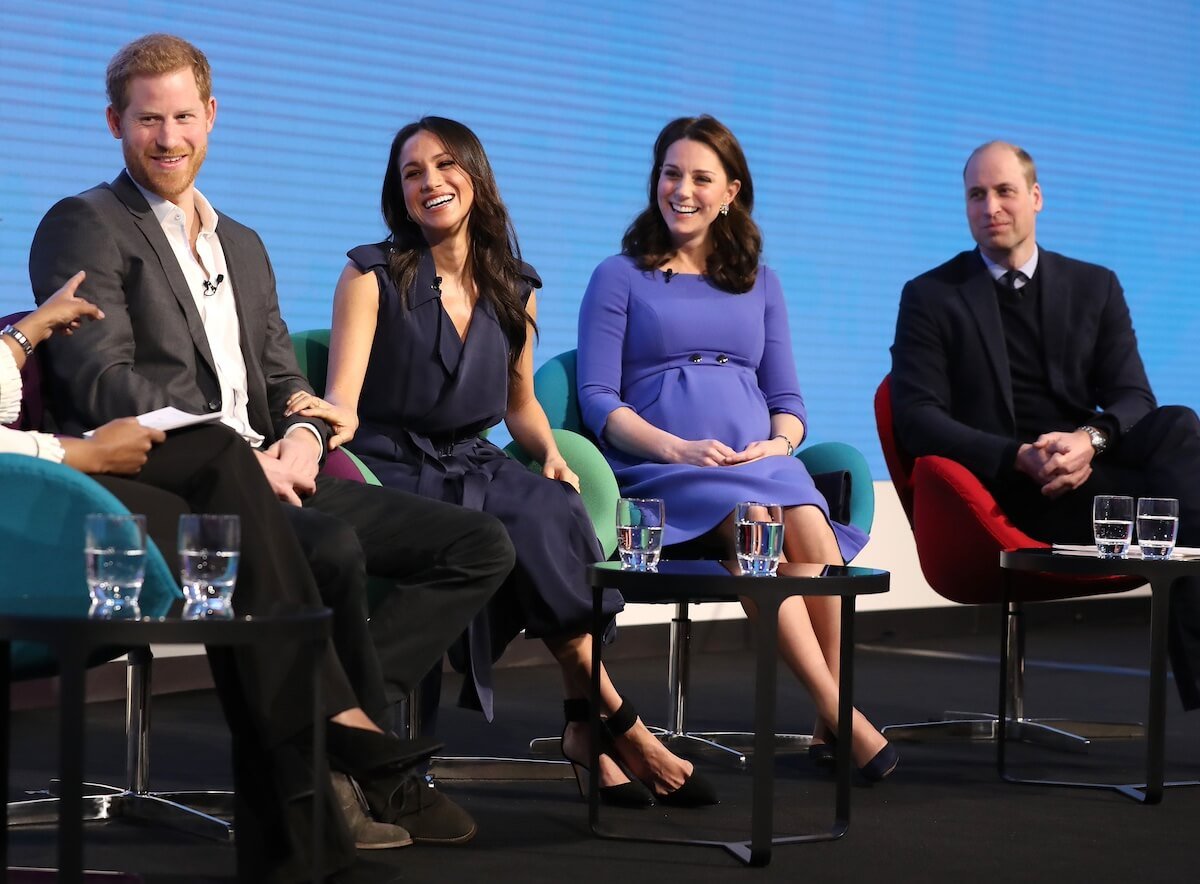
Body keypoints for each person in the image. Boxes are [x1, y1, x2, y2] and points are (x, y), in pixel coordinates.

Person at [26, 33, 516, 875]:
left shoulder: (244, 245)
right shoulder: (85, 224)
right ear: (115, 123)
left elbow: (285, 374)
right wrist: (232, 450)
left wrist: (301, 433)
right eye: (148, 120)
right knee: (326, 547)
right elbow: (100, 382)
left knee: (478, 545)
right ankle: (350, 765)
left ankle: (341, 736)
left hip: (270, 469)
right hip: (160, 476)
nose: (168, 136)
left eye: (184, 116)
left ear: (211, 117)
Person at [288, 116, 715, 808]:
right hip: (393, 466)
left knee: (553, 507)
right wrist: (314, 442)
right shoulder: (370, 274)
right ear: (399, 194)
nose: (430, 182)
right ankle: (618, 724)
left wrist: (549, 453)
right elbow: (344, 401)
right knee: (524, 530)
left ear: (475, 176)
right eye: (412, 173)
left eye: (445, 165)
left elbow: (520, 405)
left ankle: (590, 725)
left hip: (473, 458)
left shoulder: (515, 285)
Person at [3, 273, 426, 881]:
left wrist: (28, 330)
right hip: (28, 496)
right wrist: (80, 454)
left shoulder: (241, 245)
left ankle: (310, 816)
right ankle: (314, 797)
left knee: (221, 478)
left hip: (38, 471)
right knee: (240, 529)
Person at [576, 115, 898, 780]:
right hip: (664, 466)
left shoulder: (762, 282)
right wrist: (675, 448)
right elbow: (599, 400)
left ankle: (824, 724)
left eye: (700, 178)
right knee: (760, 526)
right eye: (671, 174)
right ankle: (843, 716)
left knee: (809, 525)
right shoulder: (620, 275)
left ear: (731, 192)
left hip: (755, 463)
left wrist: (775, 447)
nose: (681, 190)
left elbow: (791, 404)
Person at [890, 139, 1200, 709]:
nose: (991, 207)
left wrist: (1090, 440)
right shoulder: (932, 296)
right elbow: (917, 419)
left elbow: (1135, 396)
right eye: (976, 195)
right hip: (1014, 494)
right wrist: (1016, 455)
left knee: (1180, 425)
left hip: (1098, 473)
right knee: (1184, 507)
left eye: (1005, 191)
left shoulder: (1094, 285)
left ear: (1035, 197)